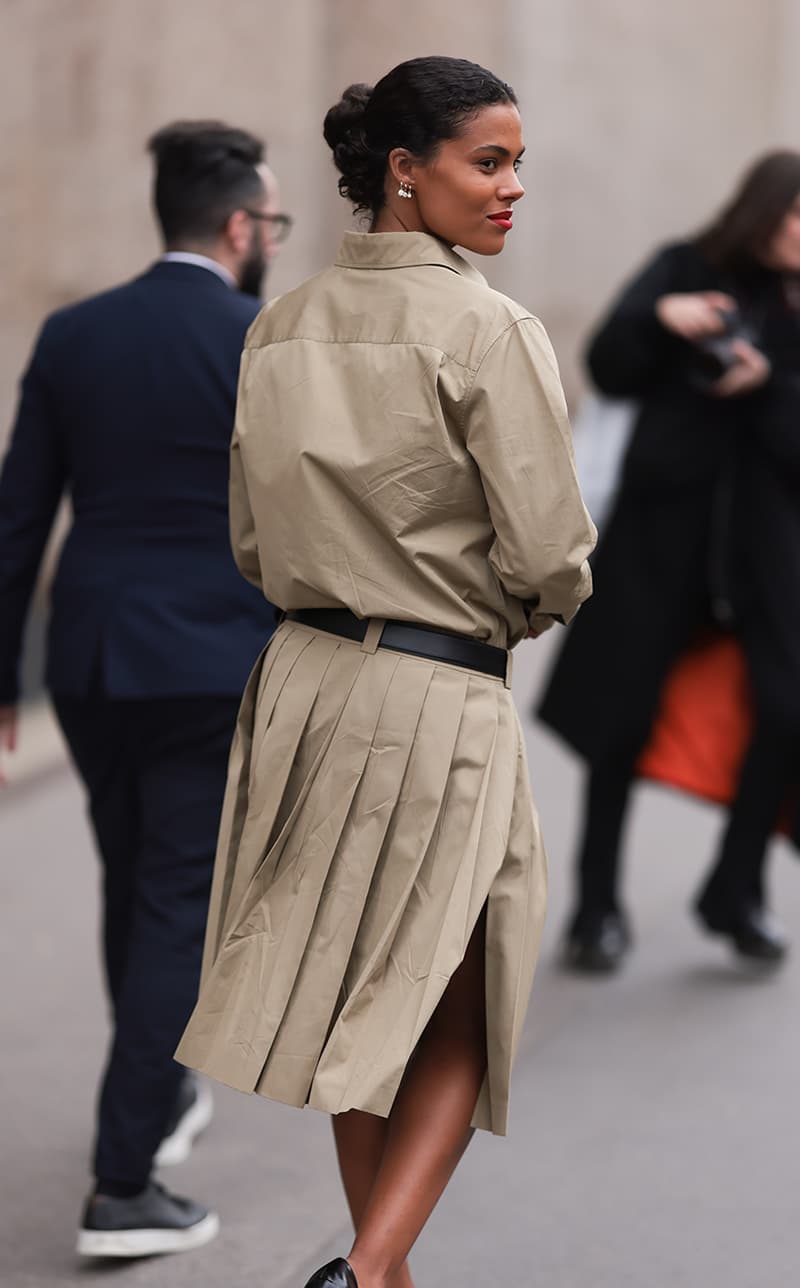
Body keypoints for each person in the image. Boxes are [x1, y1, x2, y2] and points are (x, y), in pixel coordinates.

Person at [175, 56, 595, 1288]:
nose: (513, 187)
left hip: (301, 683)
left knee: (354, 1009)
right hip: (434, 693)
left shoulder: (280, 322)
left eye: (518, 161)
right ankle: (363, 1275)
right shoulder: (485, 327)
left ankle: (381, 1273)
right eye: (488, 160)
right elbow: (552, 553)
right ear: (403, 172)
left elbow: (252, 540)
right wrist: (511, 610)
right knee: (455, 1011)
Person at [0, 120, 289, 1255]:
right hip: (212, 662)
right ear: (236, 225)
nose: (269, 240)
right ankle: (123, 1184)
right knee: (179, 903)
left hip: (89, 656)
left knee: (139, 882)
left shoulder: (74, 332)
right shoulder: (260, 336)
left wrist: (1, 682)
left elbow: (19, 518)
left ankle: (157, 1100)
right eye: (269, 223)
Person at [538, 150, 800, 974]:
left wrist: (770, 385)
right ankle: (595, 906)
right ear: (763, 213)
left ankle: (735, 887)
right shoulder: (685, 267)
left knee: (788, 714)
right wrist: (663, 318)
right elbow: (608, 364)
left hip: (767, 552)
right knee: (621, 720)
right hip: (662, 541)